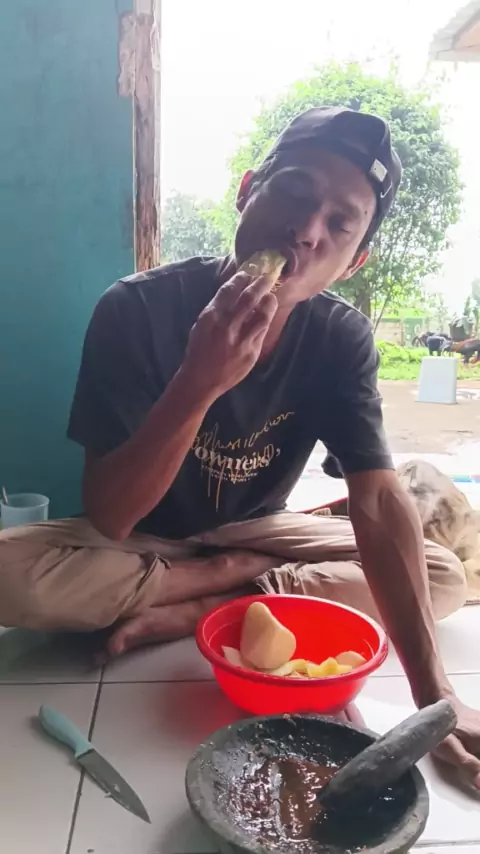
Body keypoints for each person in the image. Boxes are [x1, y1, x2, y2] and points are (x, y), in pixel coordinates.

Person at [1, 106, 479, 788]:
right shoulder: (135, 308)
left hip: (258, 527)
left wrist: (437, 697)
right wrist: (199, 380)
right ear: (248, 189)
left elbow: (376, 499)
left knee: (441, 574)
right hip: (143, 539)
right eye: (294, 192)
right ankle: (232, 584)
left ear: (354, 260)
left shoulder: (340, 338)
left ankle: (206, 606)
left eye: (340, 223)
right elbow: (111, 515)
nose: (307, 230)